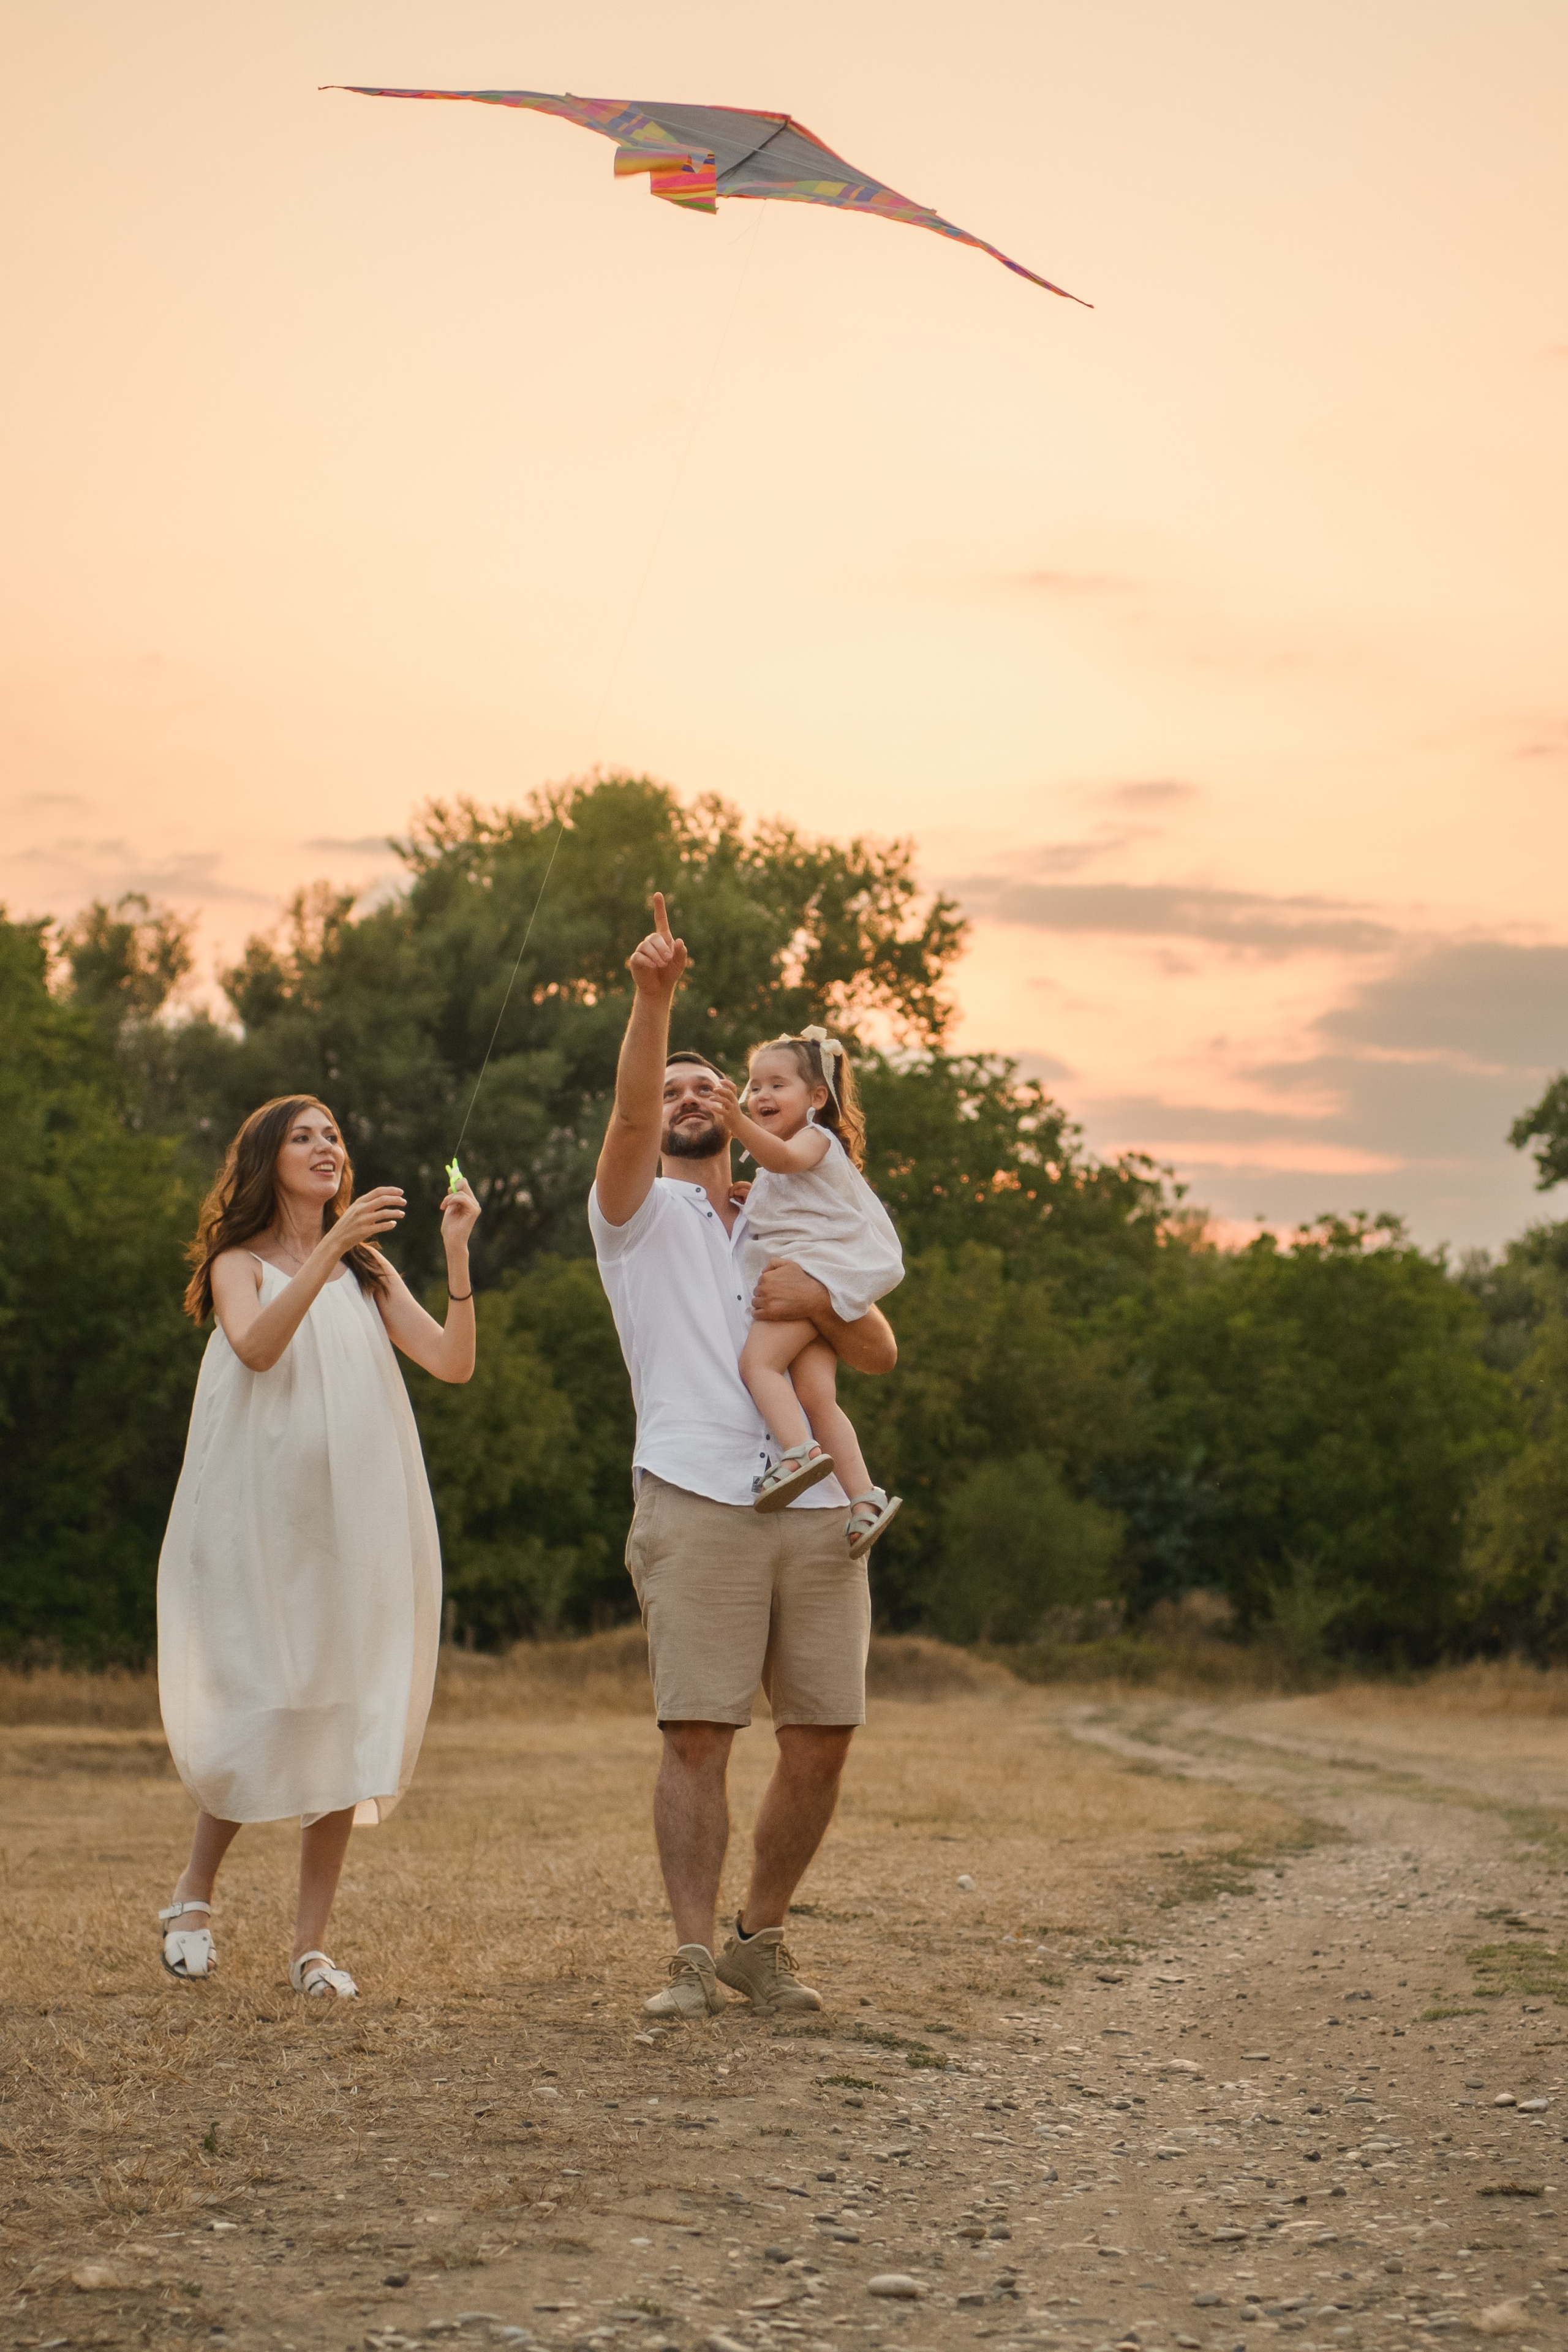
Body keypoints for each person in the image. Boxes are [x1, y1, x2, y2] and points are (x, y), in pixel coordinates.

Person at [590, 894, 899, 2021]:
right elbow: (627, 1118)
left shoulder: (791, 1209)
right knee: (697, 1733)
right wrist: (654, 1002)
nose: (684, 1100)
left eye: (704, 1089)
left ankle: (757, 1940)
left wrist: (817, 1292)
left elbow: (877, 1347)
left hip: (818, 1506)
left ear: (739, 1113)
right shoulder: (633, 1216)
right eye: (672, 1088)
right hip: (695, 1495)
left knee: (822, 1736)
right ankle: (684, 1954)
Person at [156, 1094, 480, 1999]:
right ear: (268, 1161)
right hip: (259, 1514)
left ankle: (310, 1948)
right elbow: (257, 1347)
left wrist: (453, 1255)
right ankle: (192, 1896)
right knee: (264, 1690)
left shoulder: (368, 1271)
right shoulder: (240, 1262)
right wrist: (333, 1249)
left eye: (333, 1134)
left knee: (344, 1701)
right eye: (304, 1137)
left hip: (354, 1515)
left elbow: (452, 1362)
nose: (326, 1147)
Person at [714, 1028, 904, 1553]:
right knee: (818, 1397)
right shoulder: (790, 1154)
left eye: (778, 1085)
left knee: (759, 1367)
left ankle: (797, 1452)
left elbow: (783, 1160)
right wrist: (758, 1197)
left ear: (817, 1098)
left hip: (807, 1276)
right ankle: (864, 1499)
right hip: (820, 1278)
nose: (761, 1096)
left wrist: (735, 1125)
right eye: (754, 1087)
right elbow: (790, 1187)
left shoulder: (814, 1138)